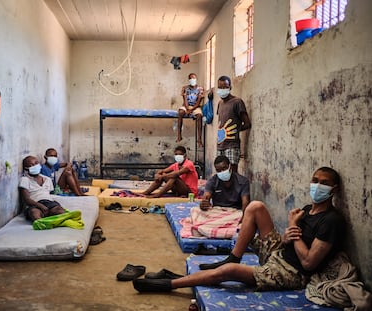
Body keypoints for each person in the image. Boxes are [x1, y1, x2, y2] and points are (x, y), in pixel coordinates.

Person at [133, 167, 346, 293]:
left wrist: (293, 228)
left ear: (334, 190)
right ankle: (233, 257)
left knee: (228, 274)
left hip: (291, 272)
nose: (317, 186)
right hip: (279, 254)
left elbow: (309, 262)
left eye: (324, 183)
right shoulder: (307, 210)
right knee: (257, 208)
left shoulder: (331, 221)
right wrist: (287, 236)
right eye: (315, 181)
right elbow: (288, 239)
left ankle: (167, 284)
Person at [213, 75, 251, 173]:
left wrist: (235, 131)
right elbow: (221, 123)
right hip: (220, 144)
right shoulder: (220, 103)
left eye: (225, 87)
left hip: (232, 145)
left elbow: (247, 124)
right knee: (221, 173)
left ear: (230, 87)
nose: (222, 89)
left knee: (232, 173)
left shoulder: (237, 102)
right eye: (220, 87)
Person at [19, 155, 66, 221]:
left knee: (61, 212)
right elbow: (26, 199)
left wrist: (52, 205)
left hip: (48, 202)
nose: (35, 166)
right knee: (34, 214)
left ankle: (48, 214)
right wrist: (41, 206)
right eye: (31, 165)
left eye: (36, 163)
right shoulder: (25, 180)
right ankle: (44, 220)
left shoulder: (47, 179)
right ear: (26, 168)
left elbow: (49, 194)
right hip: (34, 204)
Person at [177, 73, 204, 147]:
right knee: (180, 112)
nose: (193, 80)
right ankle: (179, 135)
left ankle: (199, 139)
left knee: (199, 115)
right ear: (189, 80)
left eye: (194, 78)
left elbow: (198, 102)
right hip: (186, 105)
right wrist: (187, 108)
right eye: (191, 78)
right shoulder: (185, 88)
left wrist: (192, 110)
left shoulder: (200, 89)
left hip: (196, 106)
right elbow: (185, 100)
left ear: (196, 79)